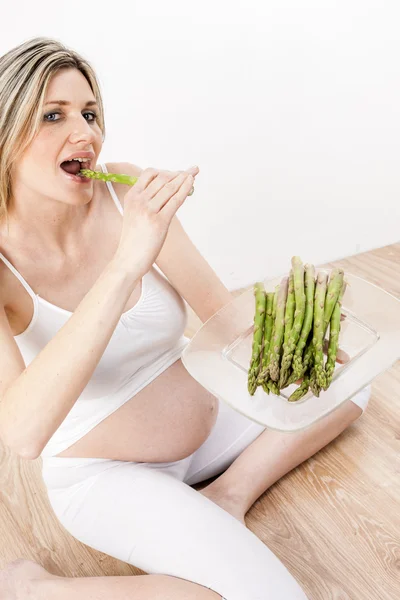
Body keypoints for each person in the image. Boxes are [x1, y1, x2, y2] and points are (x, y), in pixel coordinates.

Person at [0, 37, 371, 600]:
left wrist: (290, 329)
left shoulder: (127, 192)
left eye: (91, 113)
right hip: (108, 475)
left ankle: (229, 496)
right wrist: (127, 262)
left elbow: (220, 316)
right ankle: (32, 589)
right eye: (54, 114)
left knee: (351, 382)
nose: (87, 133)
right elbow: (22, 434)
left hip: (213, 424)